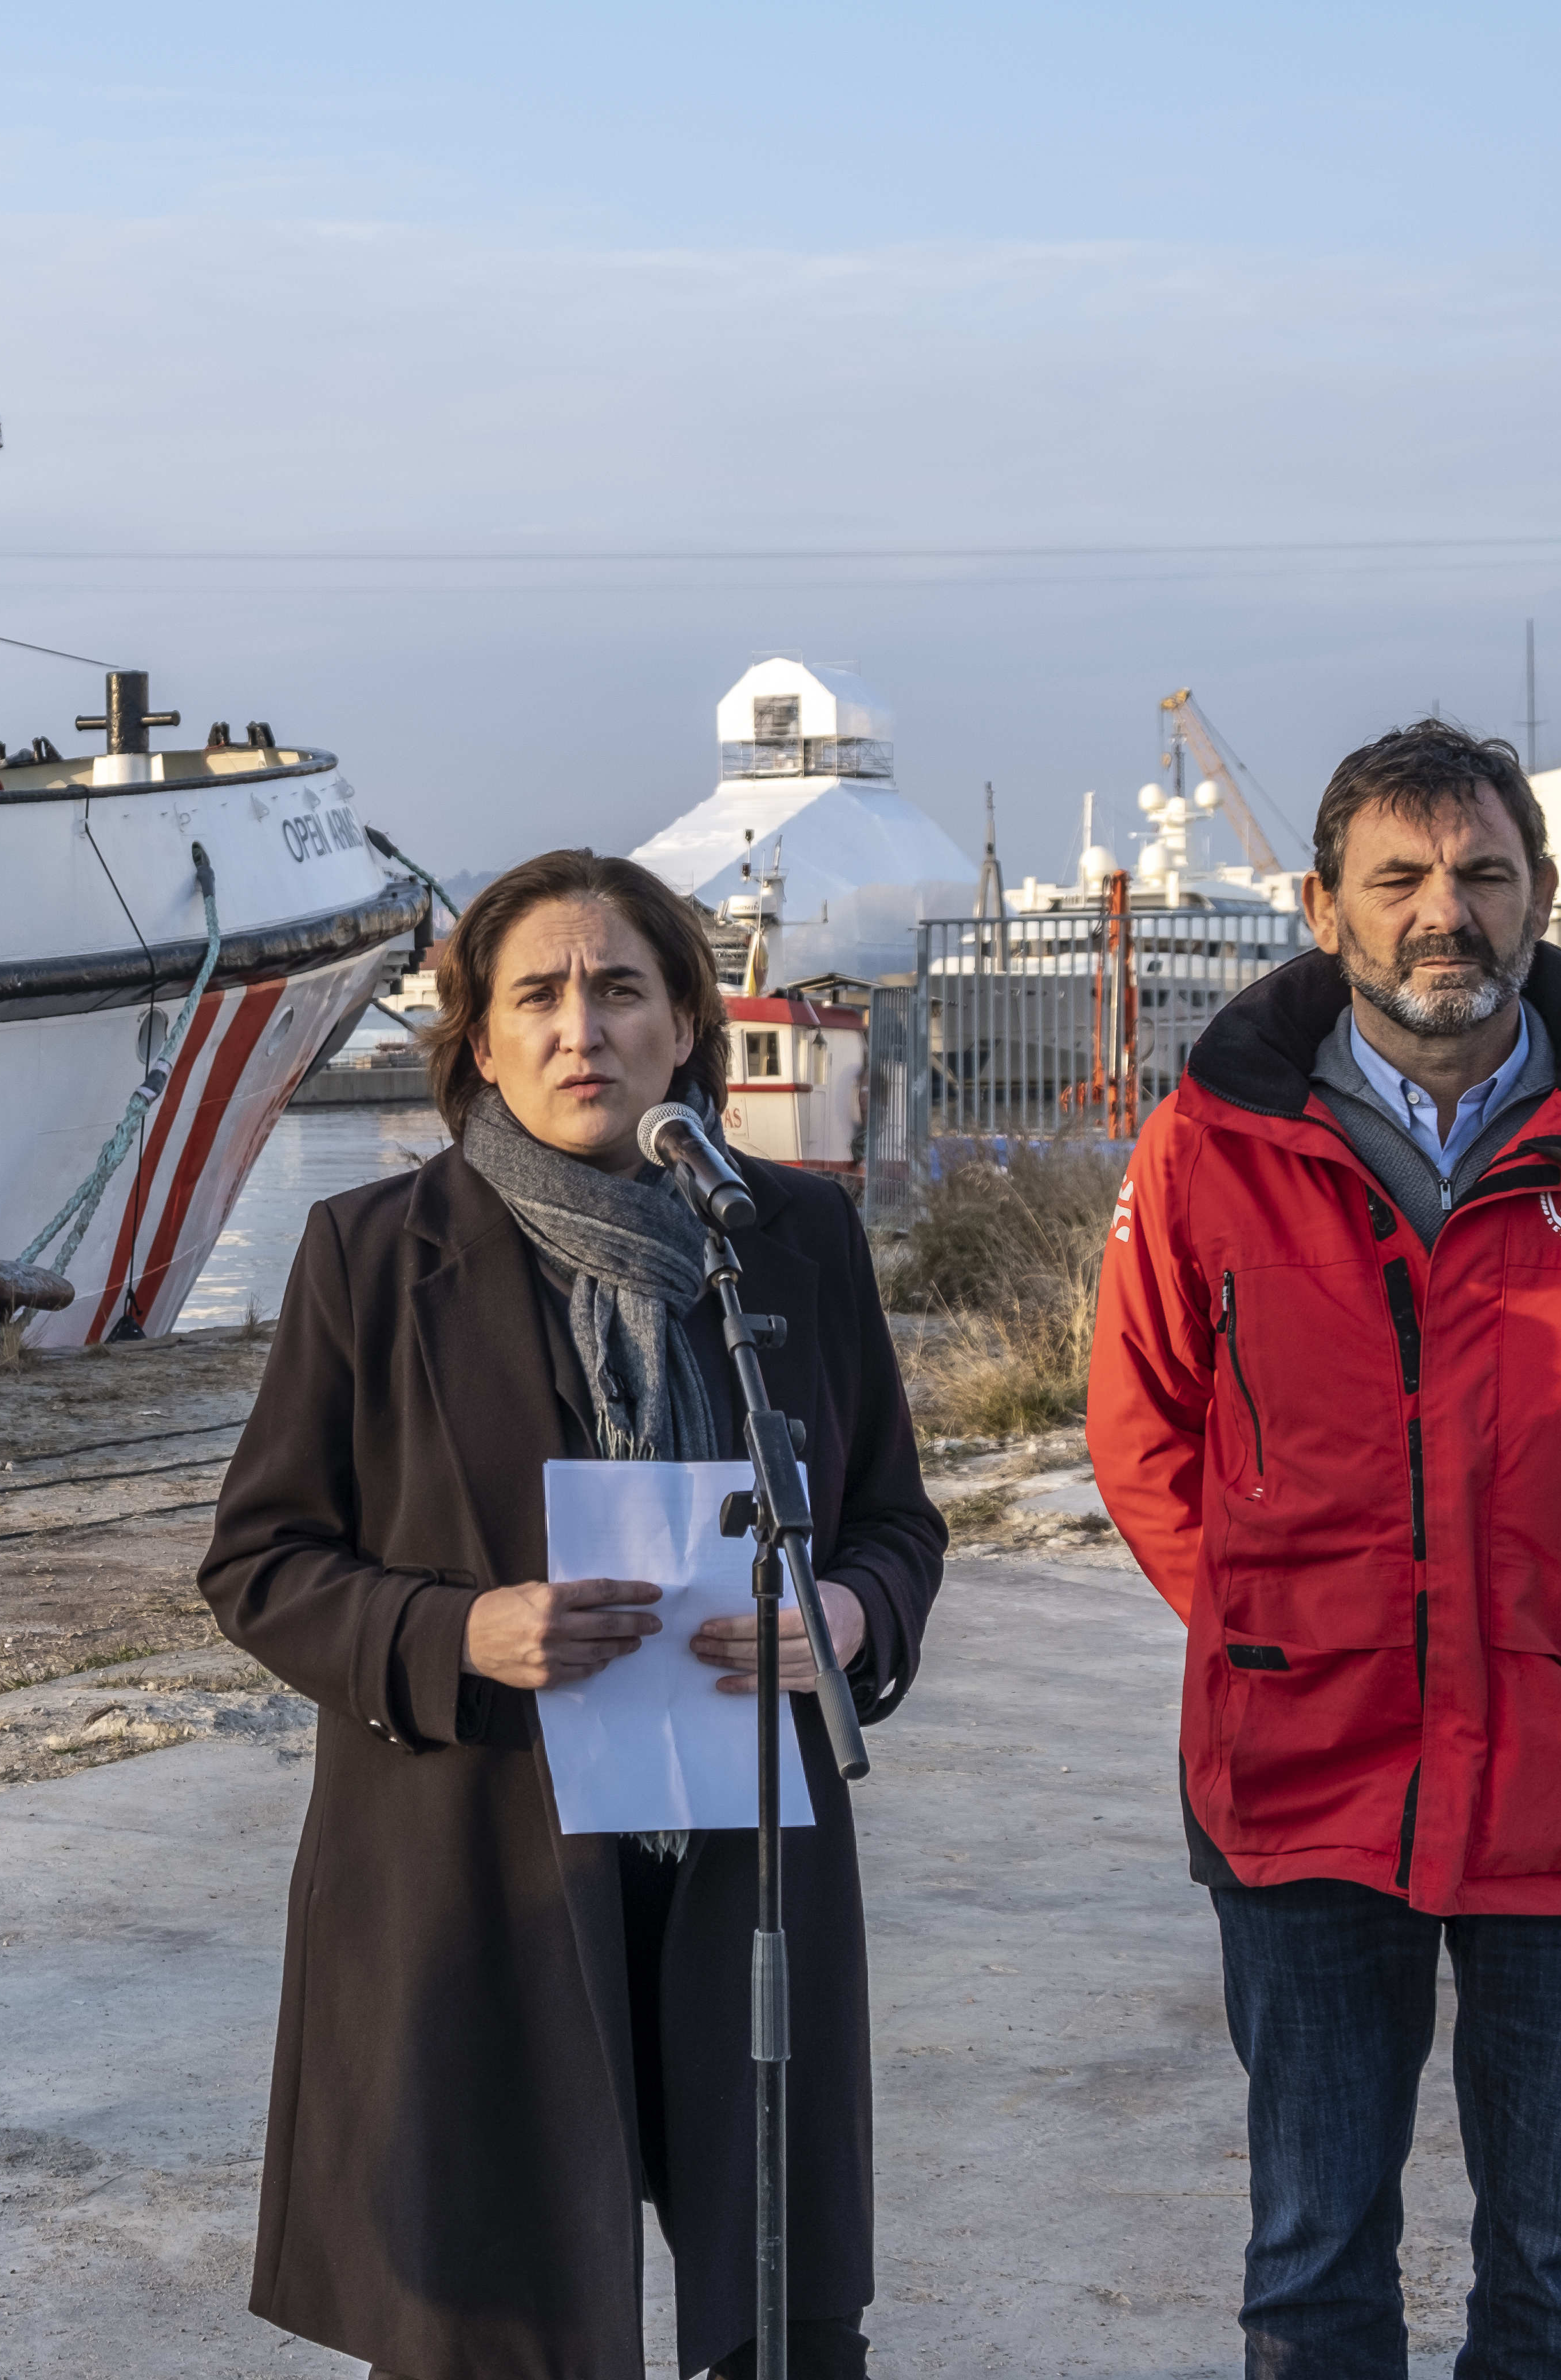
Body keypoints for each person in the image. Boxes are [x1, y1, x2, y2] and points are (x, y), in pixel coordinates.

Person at [1089, 719, 1561, 2380]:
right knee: (1312, 2268)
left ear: (1539, 893)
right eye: (1397, 878)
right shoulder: (1210, 1143)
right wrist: (1286, 1628)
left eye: (1482, 874)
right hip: (1303, 1772)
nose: (1443, 914)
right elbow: (1145, 1437)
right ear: (1321, 906)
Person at [201, 848, 945, 2380]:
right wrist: (457, 1636)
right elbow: (262, 1561)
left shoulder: (793, 1242)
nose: (579, 1030)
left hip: (749, 1848)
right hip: (484, 1858)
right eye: (536, 995)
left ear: (687, 1025)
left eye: (620, 990)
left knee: (783, 2311)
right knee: (506, 2317)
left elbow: (893, 1524)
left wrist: (853, 1617)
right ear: (480, 1040)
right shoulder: (368, 1256)